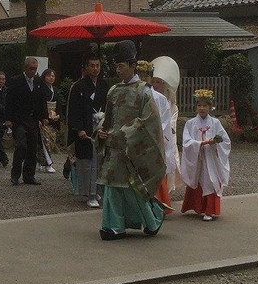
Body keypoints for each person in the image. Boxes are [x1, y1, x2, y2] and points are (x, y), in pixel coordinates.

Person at [95, 41, 167, 240]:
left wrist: (123, 134)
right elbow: (107, 119)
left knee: (132, 189)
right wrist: (101, 131)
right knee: (112, 188)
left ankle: (153, 218)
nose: (118, 70)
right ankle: (113, 226)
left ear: (132, 65)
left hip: (131, 150)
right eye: (116, 66)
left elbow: (149, 122)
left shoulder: (144, 92)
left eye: (121, 66)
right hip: (113, 148)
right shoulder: (113, 91)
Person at [180, 89, 232, 221]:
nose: (202, 108)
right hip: (197, 157)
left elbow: (225, 141)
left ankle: (209, 210)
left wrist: (215, 142)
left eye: (205, 105)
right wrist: (201, 143)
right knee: (197, 179)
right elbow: (186, 141)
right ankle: (197, 207)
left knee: (210, 180)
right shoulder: (190, 123)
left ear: (210, 107)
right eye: (199, 105)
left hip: (211, 158)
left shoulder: (215, 123)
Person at [66, 54, 108, 208]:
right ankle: (88, 193)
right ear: (86, 67)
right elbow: (74, 110)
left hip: (101, 126)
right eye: (92, 65)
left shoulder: (105, 85)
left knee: (100, 161)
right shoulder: (78, 87)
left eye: (97, 65)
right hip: (86, 128)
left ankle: (97, 190)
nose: (95, 68)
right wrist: (79, 129)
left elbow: (109, 107)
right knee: (87, 163)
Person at [4, 56, 49, 186]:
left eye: (35, 69)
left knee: (32, 147)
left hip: (33, 119)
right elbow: (9, 101)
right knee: (21, 146)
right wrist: (8, 119)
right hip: (19, 119)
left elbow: (42, 101)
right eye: (30, 69)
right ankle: (15, 174)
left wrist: (44, 116)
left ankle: (29, 175)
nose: (33, 71)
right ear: (25, 68)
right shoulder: (16, 81)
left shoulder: (39, 82)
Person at [150, 56, 182, 210]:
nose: (156, 85)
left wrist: (167, 129)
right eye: (154, 81)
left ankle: (166, 192)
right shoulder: (150, 97)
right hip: (154, 134)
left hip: (167, 135)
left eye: (159, 82)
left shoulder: (170, 101)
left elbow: (172, 117)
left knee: (170, 161)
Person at [37, 68, 61, 173]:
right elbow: (39, 104)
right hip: (44, 119)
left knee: (50, 142)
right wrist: (42, 117)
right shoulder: (40, 89)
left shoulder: (55, 90)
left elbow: (59, 104)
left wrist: (58, 115)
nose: (51, 78)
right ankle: (48, 163)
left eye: (53, 76)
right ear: (44, 77)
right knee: (44, 142)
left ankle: (40, 162)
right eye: (49, 76)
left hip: (53, 118)